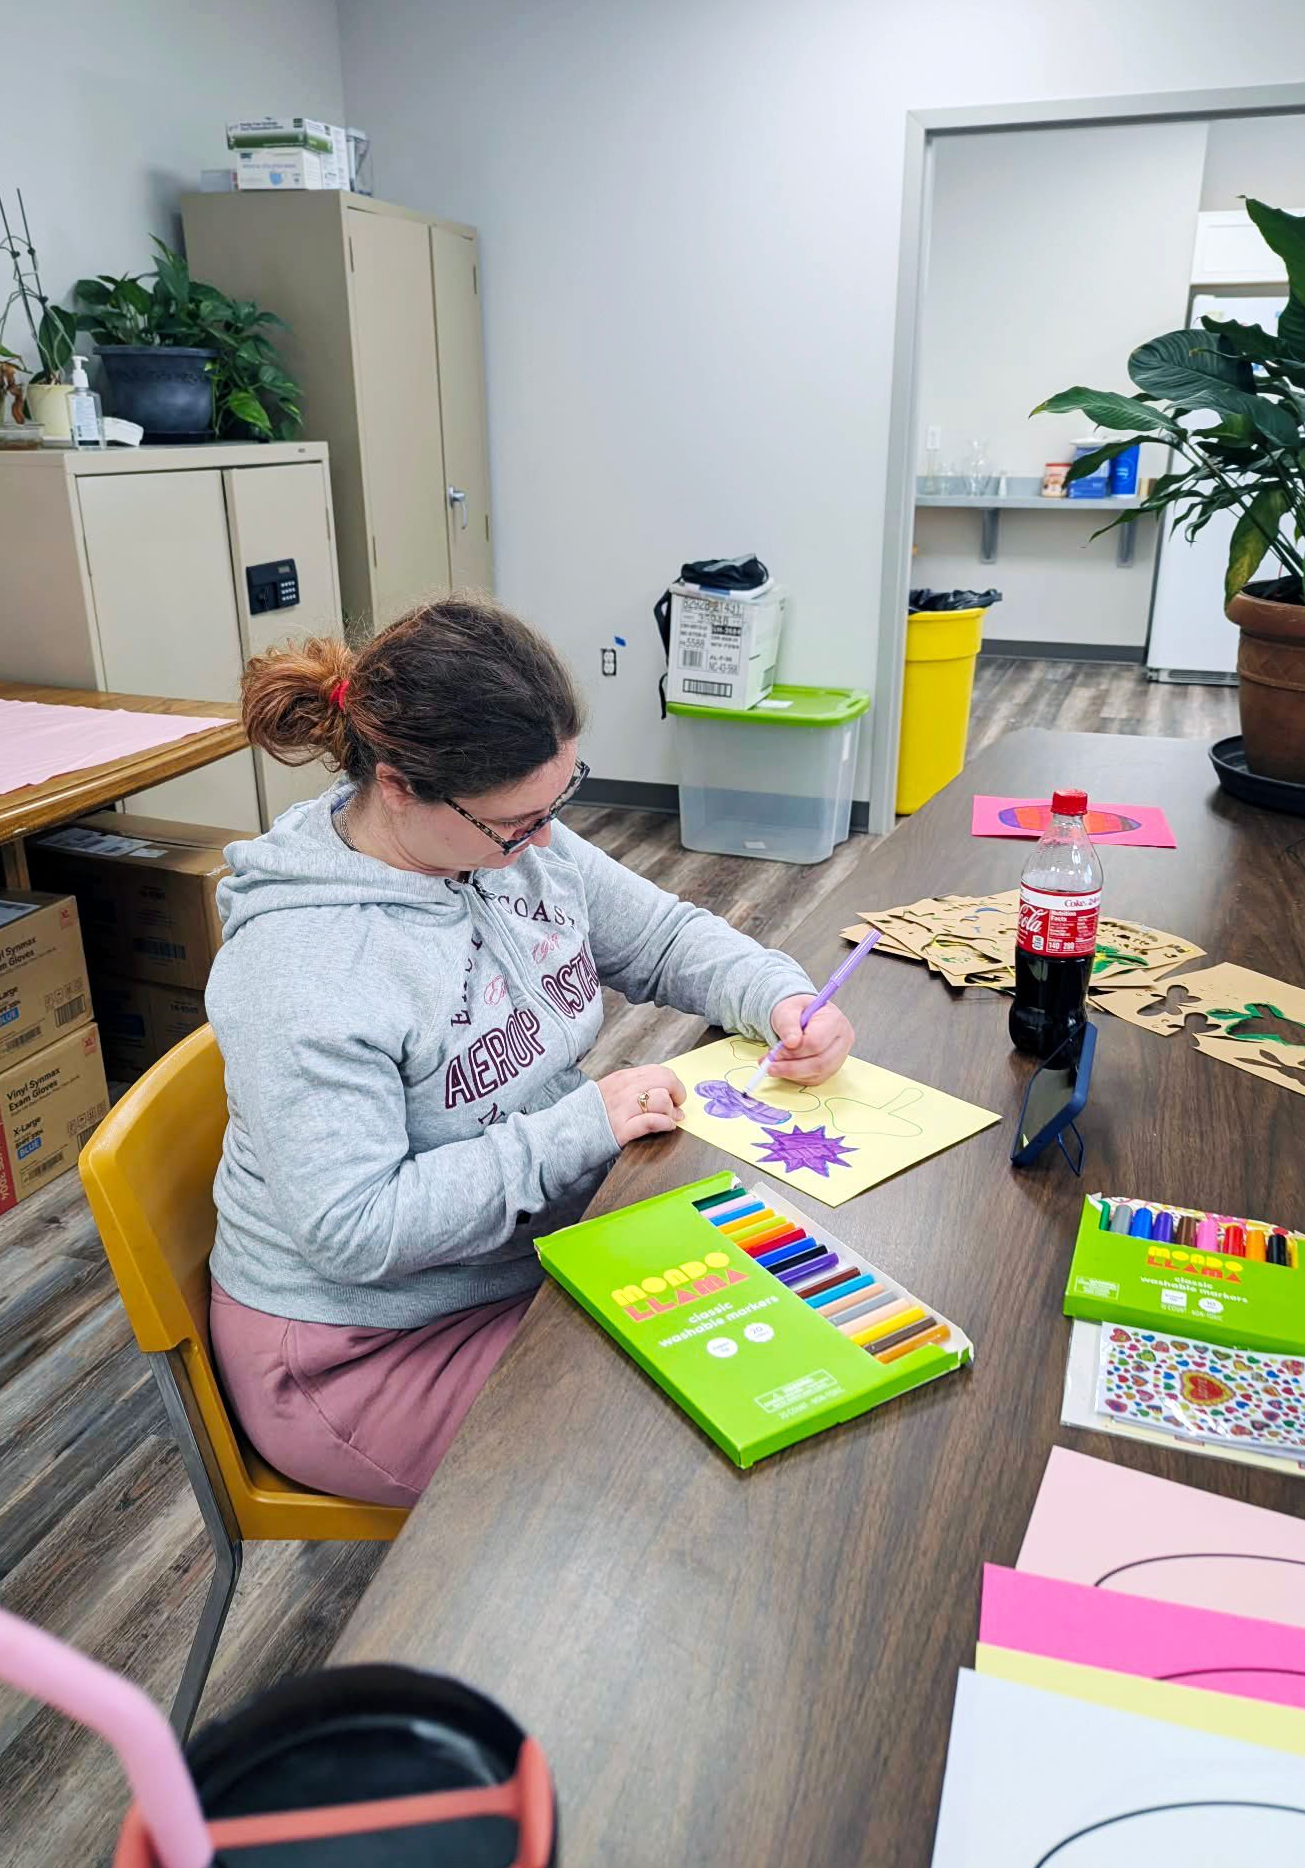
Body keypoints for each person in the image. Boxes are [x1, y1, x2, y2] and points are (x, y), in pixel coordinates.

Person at [206, 600, 854, 1506]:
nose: (547, 840)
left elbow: (661, 937)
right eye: (520, 821)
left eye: (562, 798)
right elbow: (355, 1229)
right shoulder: (307, 969)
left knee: (783, 1334)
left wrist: (779, 995)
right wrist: (579, 1127)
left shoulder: (499, 833)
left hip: (522, 1250)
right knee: (686, 1455)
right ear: (398, 785)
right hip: (363, 1347)